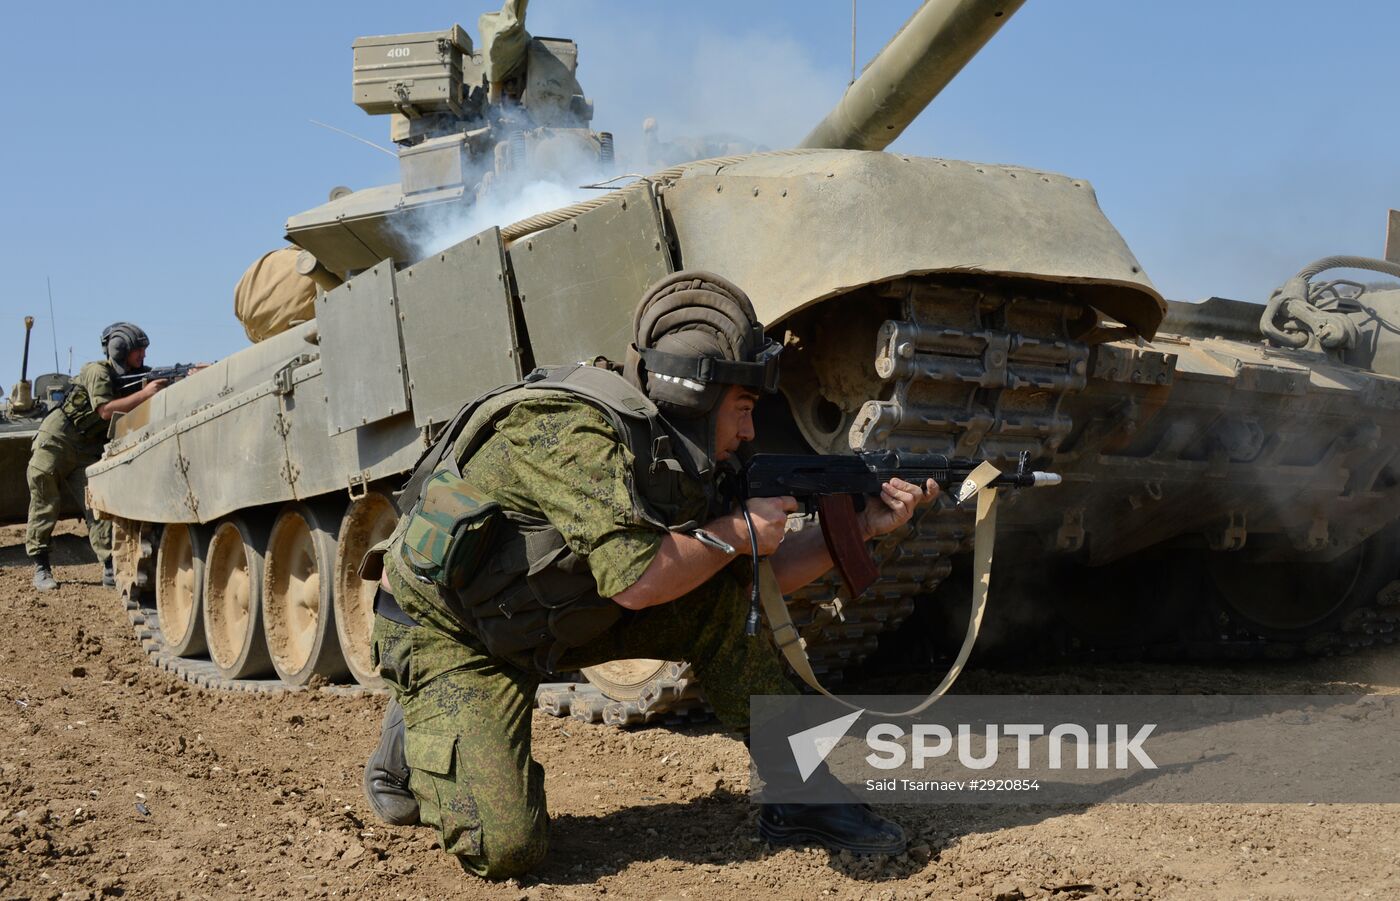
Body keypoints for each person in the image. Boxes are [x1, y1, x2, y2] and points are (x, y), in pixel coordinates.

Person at [360, 272, 939, 878]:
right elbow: (638, 582)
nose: (749, 431)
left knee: (718, 599)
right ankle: (417, 711)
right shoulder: (570, 432)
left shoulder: (687, 451)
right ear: (695, 397)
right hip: (454, 634)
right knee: (506, 848)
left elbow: (754, 583)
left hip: (553, 615)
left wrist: (863, 526)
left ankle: (802, 796)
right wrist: (737, 530)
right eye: (743, 410)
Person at [26, 322, 167, 591]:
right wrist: (146, 394)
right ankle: (41, 566)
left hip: (87, 449)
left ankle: (110, 567)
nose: (144, 355)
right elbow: (105, 411)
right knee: (45, 502)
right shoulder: (97, 371)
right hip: (56, 441)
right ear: (121, 349)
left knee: (98, 505)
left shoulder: (136, 376)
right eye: (139, 350)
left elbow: (157, 380)